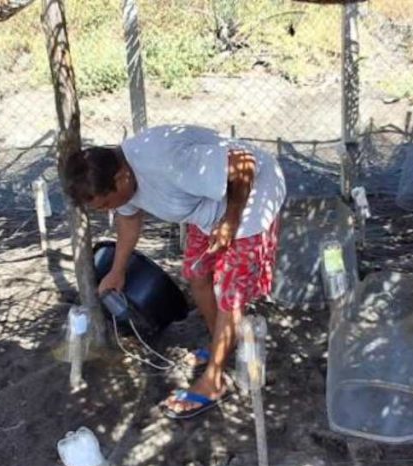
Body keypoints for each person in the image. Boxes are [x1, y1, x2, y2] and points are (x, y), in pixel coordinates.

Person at [64, 125, 286, 419]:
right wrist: (117, 271)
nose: (108, 209)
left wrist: (231, 221)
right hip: (209, 204)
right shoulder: (120, 179)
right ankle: (219, 342)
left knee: (232, 295)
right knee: (196, 274)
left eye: (106, 203)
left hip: (253, 194)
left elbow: (243, 164)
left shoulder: (166, 162)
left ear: (121, 178)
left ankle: (215, 380)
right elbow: (128, 219)